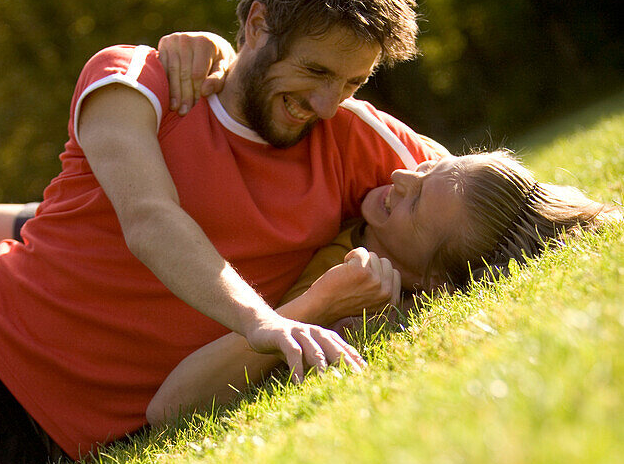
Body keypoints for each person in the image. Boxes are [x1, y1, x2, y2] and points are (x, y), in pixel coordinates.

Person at [0, 0, 438, 464]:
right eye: (314, 70)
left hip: (16, 442)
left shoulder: (349, 133)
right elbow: (151, 218)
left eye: (352, 82)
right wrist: (262, 322)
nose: (325, 101)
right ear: (257, 25)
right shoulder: (138, 78)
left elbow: (482, 194)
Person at [145, 149, 616, 422]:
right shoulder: (388, 160)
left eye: (413, 203)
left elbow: (169, 409)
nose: (400, 175)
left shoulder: (364, 315)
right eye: (428, 167)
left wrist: (318, 304)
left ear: (428, 282)